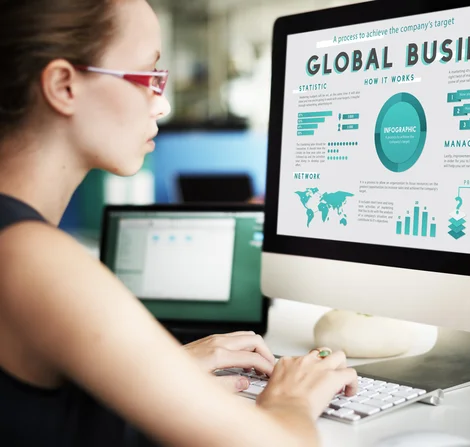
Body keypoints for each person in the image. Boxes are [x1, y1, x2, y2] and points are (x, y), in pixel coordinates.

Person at [0, 1, 357, 446]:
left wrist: (158, 369)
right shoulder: (35, 261)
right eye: (148, 77)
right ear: (64, 85)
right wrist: (291, 399)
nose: (163, 103)